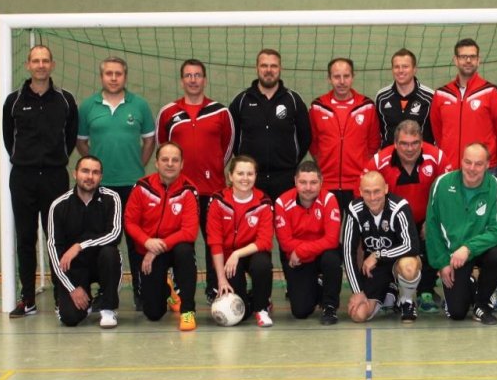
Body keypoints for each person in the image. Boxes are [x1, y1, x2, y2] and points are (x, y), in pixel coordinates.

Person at [2, 45, 78, 317]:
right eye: (36, 60)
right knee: (25, 237)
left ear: (52, 65)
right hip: (23, 177)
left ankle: (60, 297)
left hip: (55, 177)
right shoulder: (13, 100)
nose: (41, 65)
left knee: (55, 237)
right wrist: (28, 160)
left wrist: (53, 160)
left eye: (45, 60)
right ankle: (28, 299)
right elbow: (8, 138)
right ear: (28, 65)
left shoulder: (65, 99)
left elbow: (70, 137)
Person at [78, 56, 156, 310]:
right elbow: (81, 142)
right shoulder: (88, 107)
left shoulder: (139, 105)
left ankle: (141, 293)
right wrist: (95, 171)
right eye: (108, 73)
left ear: (125, 76)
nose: (113, 78)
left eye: (118, 74)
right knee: (103, 242)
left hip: (132, 185)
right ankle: (104, 293)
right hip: (101, 187)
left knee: (136, 241)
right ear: (102, 76)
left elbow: (149, 141)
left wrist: (137, 166)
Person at [156, 58, 234, 303]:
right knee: (181, 244)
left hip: (212, 190)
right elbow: (162, 147)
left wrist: (212, 168)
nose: (193, 80)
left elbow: (228, 147)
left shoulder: (220, 112)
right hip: (180, 192)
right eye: (188, 75)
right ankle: (179, 291)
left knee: (214, 241)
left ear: (204, 80)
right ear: (182, 81)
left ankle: (214, 289)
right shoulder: (168, 112)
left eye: (197, 75)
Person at [364, 120, 451, 313]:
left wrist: (433, 219)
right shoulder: (378, 162)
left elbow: (448, 194)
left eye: (414, 143)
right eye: (404, 143)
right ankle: (391, 288)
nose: (410, 149)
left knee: (434, 233)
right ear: (395, 144)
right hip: (392, 221)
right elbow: (365, 196)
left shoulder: (437, 157)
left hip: (426, 217)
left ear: (422, 142)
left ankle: (426, 290)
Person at [425, 143, 497, 325]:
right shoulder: (441, 184)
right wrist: (442, 263)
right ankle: (470, 283)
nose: (472, 168)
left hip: (481, 249)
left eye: (478, 164)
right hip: (454, 255)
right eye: (468, 162)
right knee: (456, 313)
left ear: (487, 165)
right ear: (461, 161)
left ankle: (482, 304)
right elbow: (432, 227)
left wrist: (468, 248)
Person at [125, 142, 199, 330]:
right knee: (153, 313)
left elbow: (190, 232)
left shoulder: (189, 190)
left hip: (174, 248)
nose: (170, 164)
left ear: (182, 164)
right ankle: (168, 290)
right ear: (156, 163)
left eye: (175, 160)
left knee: (185, 252)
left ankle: (187, 311)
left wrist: (159, 247)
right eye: (165, 159)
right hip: (149, 248)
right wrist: (146, 242)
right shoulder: (142, 187)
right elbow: (130, 222)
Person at [47, 156, 122, 328]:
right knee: (70, 318)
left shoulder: (112, 198)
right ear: (75, 174)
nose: (90, 176)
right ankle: (86, 302)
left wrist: (80, 246)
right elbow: (53, 250)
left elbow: (115, 234)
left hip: (102, 262)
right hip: (75, 268)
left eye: (95, 172)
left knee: (110, 253)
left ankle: (107, 307)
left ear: (101, 177)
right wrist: (72, 288)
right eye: (85, 171)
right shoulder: (59, 205)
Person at [229, 49, 311, 200]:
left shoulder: (293, 100)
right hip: (251, 179)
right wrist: (244, 161)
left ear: (280, 68)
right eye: (264, 66)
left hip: (286, 179)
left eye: (273, 66)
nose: (268, 70)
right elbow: (231, 137)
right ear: (257, 68)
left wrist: (290, 161)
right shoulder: (242, 100)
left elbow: (305, 137)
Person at [343, 171, 422, 323]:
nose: (372, 197)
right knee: (358, 315)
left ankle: (406, 301)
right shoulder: (354, 209)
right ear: (360, 192)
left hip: (398, 262)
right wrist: (357, 291)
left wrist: (378, 254)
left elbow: (412, 245)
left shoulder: (399, 207)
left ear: (386, 188)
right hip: (374, 269)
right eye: (367, 192)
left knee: (409, 266)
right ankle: (390, 294)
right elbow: (348, 252)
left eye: (377, 191)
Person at [207, 155, 275, 327]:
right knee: (240, 314)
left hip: (251, 253)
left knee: (262, 264)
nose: (245, 178)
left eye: (250, 174)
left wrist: (237, 253)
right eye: (240, 173)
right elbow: (215, 241)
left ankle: (261, 308)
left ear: (255, 176)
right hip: (228, 259)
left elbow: (265, 241)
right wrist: (221, 279)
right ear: (230, 176)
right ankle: (251, 299)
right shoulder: (218, 200)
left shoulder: (264, 202)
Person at [275, 161, 343, 325]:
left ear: (321, 182)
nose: (308, 188)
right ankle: (317, 283)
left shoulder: (329, 199)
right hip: (297, 258)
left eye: (313, 182)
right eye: (303, 182)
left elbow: (332, 239)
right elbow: (285, 243)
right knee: (300, 311)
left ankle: (330, 306)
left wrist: (302, 251)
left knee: (332, 259)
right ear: (295, 181)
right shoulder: (282, 202)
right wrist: (301, 253)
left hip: (314, 254)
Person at [429, 38, 497, 171]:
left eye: (472, 57)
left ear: (478, 60)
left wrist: (491, 160)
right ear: (456, 60)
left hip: (483, 169)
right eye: (463, 57)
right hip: (450, 169)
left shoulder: (491, 92)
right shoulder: (441, 94)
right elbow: (438, 133)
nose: (468, 60)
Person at [310, 57, 381, 211]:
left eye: (346, 76)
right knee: (329, 226)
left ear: (353, 77)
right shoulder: (318, 107)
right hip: (326, 183)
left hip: (358, 184)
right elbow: (313, 144)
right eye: (337, 76)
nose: (342, 82)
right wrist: (324, 163)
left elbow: (373, 143)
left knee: (357, 226)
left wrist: (361, 166)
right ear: (329, 78)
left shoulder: (367, 106)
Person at [375, 48, 435, 147]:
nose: (400, 71)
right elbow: (377, 132)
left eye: (405, 67)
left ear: (414, 69)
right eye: (396, 67)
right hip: (390, 155)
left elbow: (436, 132)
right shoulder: (382, 97)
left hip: (420, 155)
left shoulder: (429, 97)